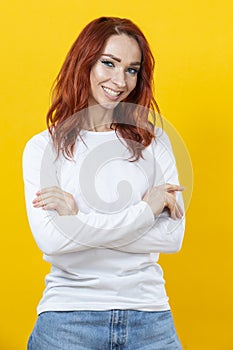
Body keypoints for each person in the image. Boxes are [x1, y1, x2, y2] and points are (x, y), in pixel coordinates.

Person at [23, 16, 185, 350]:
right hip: (68, 321)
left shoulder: (155, 142)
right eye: (108, 63)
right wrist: (146, 210)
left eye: (131, 69)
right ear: (84, 63)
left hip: (149, 317)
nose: (120, 80)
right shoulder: (43, 148)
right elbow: (52, 241)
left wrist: (77, 219)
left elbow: (172, 237)